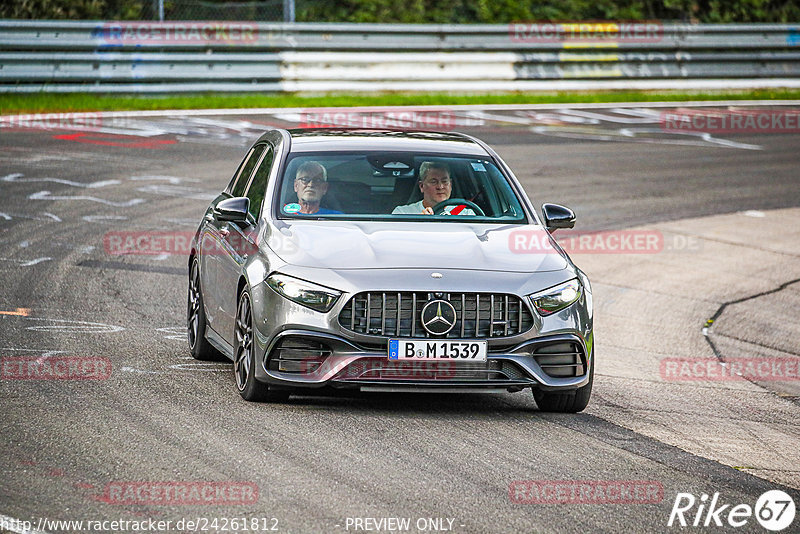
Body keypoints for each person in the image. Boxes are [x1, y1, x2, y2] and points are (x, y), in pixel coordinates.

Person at [392, 161, 475, 216]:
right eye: (433, 182)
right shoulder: (403, 213)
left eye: (444, 181)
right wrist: (418, 223)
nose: (440, 187)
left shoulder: (466, 214)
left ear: (451, 184)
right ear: (422, 186)